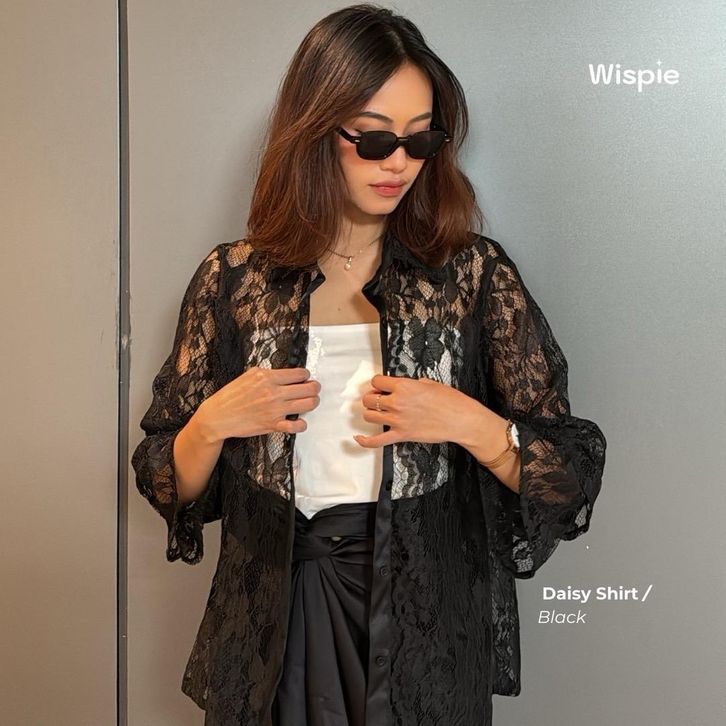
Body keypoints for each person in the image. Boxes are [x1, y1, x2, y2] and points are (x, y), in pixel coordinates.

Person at [131, 4, 607, 725]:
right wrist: (212, 423)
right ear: (314, 129)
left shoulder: (471, 276)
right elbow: (168, 480)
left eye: (422, 140)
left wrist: (473, 423)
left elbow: (569, 472)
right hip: (272, 626)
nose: (399, 163)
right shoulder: (233, 281)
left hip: (420, 628)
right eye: (377, 138)